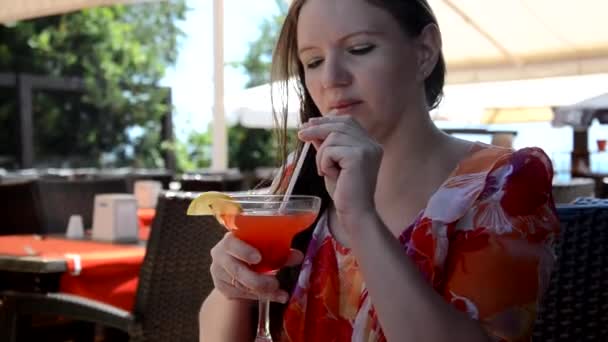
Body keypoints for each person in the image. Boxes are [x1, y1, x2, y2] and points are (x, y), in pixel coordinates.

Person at [199, 0, 559, 340]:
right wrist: (234, 287)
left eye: (359, 49)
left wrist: (360, 216)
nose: (332, 78)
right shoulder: (299, 177)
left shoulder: (504, 181)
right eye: (313, 61)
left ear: (424, 52)